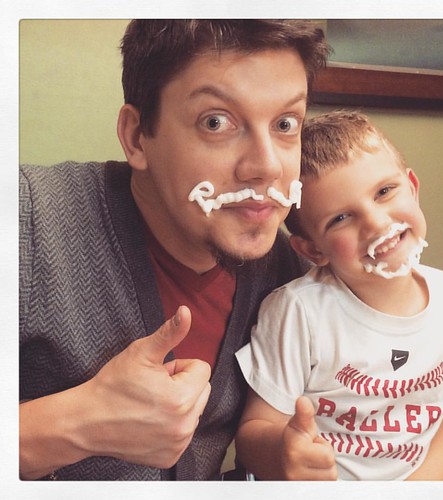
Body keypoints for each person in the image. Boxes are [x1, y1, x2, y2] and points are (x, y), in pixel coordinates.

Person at [19, 20, 329, 480]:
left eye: (285, 124)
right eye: (216, 122)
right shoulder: (27, 218)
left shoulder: (295, 280)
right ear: (137, 136)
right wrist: (78, 424)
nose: (266, 166)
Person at [235, 111, 443, 480]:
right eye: (340, 218)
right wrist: (283, 455)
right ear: (312, 250)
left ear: (412, 188)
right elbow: (254, 431)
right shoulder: (298, 312)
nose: (377, 223)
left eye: (385, 191)